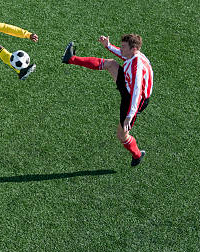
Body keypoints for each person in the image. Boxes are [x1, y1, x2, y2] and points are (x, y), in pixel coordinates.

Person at [62, 34, 153, 166]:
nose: (121, 49)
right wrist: (108, 46)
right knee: (111, 64)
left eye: (123, 47)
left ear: (133, 49)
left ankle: (137, 155)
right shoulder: (134, 55)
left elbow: (137, 93)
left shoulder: (137, 66)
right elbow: (123, 56)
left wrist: (130, 115)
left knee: (122, 135)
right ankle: (70, 59)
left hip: (133, 100)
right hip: (128, 86)